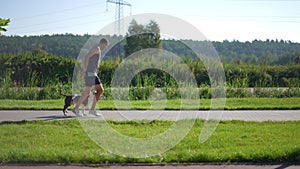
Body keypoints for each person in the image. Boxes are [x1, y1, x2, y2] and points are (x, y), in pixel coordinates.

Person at [72, 38, 109, 116]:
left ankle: (91, 110)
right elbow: (87, 56)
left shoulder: (98, 49)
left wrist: (97, 69)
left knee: (97, 90)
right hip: (90, 73)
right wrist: (85, 69)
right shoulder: (97, 48)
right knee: (91, 91)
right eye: (105, 46)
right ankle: (77, 108)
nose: (105, 47)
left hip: (93, 73)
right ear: (103, 43)